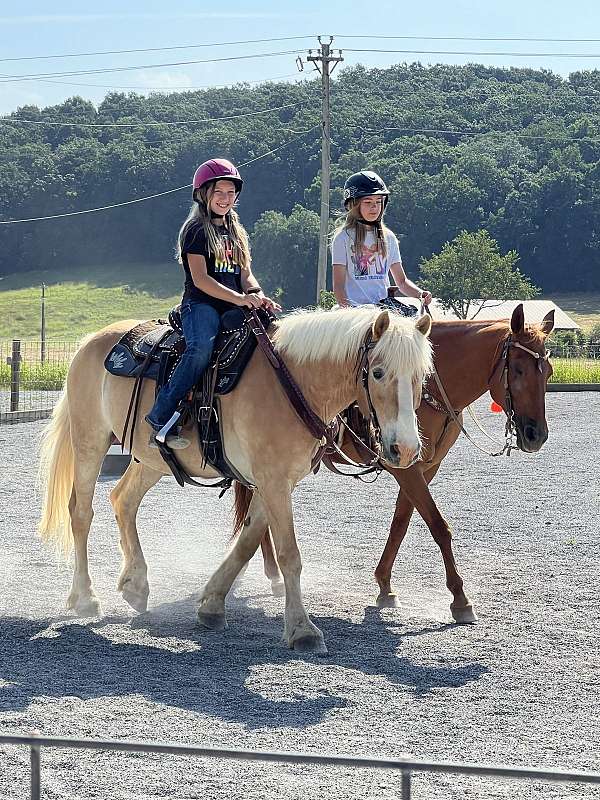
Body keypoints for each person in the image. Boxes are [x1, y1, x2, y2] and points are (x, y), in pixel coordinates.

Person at [145, 158, 279, 449]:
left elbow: (245, 273)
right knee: (200, 350)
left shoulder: (237, 232)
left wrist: (257, 293)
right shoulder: (195, 231)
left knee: (271, 337)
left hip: (233, 303)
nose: (225, 198)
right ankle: (160, 415)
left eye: (231, 193)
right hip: (201, 304)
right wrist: (241, 299)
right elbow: (201, 279)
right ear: (204, 194)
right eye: (219, 192)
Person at [331, 170, 432, 310]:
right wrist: (350, 314)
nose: (374, 207)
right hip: (355, 310)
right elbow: (339, 286)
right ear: (354, 205)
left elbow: (401, 282)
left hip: (383, 309)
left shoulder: (388, 237)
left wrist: (420, 294)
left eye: (378, 202)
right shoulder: (343, 239)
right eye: (368, 202)